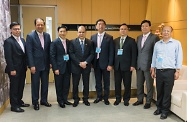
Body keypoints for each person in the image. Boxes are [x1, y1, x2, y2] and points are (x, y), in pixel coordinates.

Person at [151, 26, 183, 119]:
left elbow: (179, 57)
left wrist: (177, 71)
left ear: (171, 32)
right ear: (162, 32)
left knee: (167, 92)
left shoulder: (176, 43)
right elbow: (154, 57)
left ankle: (165, 111)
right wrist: (153, 68)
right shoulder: (157, 44)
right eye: (164, 31)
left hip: (170, 71)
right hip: (159, 71)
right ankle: (159, 108)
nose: (166, 32)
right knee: (159, 90)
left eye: (168, 31)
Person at [133, 20, 159, 109]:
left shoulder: (154, 38)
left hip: (149, 66)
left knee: (149, 85)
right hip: (139, 65)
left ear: (150, 27)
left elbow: (156, 53)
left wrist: (154, 66)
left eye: (146, 26)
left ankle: (148, 101)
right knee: (139, 84)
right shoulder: (139, 37)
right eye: (142, 26)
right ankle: (140, 99)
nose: (144, 28)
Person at [26, 18, 51, 110]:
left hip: (46, 65)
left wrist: (51, 62)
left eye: (41, 24)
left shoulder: (48, 36)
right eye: (38, 24)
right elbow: (29, 52)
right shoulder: (30, 36)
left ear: (44, 25)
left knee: (45, 83)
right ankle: (35, 102)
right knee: (35, 84)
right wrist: (31, 65)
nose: (40, 26)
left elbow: (49, 51)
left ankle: (44, 100)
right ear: (35, 25)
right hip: (35, 66)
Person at [4, 22, 30, 112]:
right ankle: (14, 106)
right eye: (15, 29)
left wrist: (26, 65)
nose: (17, 31)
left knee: (21, 86)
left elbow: (24, 54)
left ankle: (19, 101)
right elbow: (8, 57)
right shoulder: (8, 41)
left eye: (19, 28)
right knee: (14, 87)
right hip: (14, 69)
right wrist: (12, 69)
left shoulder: (22, 40)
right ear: (11, 30)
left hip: (22, 68)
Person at [69, 26, 94, 107]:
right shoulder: (72, 42)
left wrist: (86, 62)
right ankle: (76, 99)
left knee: (86, 83)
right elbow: (71, 54)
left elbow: (92, 54)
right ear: (77, 33)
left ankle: (85, 98)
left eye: (83, 32)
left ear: (85, 33)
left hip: (86, 67)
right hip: (76, 66)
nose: (81, 34)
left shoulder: (90, 42)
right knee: (75, 84)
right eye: (79, 32)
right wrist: (79, 63)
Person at [91, 19, 114, 105]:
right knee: (98, 82)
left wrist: (110, 64)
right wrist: (91, 63)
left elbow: (111, 52)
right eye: (99, 24)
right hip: (96, 64)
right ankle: (99, 96)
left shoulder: (109, 37)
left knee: (106, 82)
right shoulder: (92, 37)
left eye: (102, 24)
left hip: (106, 64)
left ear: (105, 26)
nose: (100, 26)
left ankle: (106, 98)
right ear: (96, 26)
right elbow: (91, 51)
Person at [113, 23, 137, 106]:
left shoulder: (131, 41)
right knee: (117, 83)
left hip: (127, 66)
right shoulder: (115, 41)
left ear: (127, 30)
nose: (123, 30)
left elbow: (134, 54)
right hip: (117, 66)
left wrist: (133, 65)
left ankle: (126, 99)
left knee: (127, 84)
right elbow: (113, 53)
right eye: (121, 29)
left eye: (125, 29)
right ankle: (117, 98)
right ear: (119, 31)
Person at [50, 25, 72, 108]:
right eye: (61, 31)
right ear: (58, 32)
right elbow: (52, 56)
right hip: (58, 68)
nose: (63, 33)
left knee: (66, 85)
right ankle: (60, 101)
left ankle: (65, 99)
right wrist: (55, 68)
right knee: (59, 85)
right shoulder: (54, 43)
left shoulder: (69, 42)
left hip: (67, 67)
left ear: (66, 32)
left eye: (64, 31)